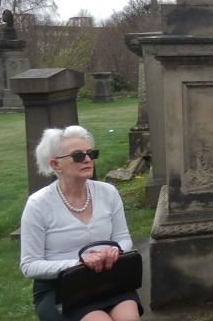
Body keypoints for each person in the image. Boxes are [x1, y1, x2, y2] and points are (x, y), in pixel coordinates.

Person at [20, 125, 143, 321]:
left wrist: (115, 251)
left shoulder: (107, 192)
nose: (87, 159)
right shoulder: (38, 204)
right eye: (77, 156)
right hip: (60, 288)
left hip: (108, 279)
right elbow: (29, 265)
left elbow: (123, 238)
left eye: (90, 153)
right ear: (55, 165)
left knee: (129, 318)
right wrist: (77, 264)